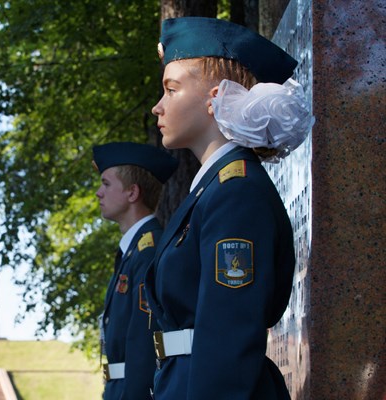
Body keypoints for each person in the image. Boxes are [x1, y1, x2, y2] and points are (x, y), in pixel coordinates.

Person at [145, 17, 313, 399]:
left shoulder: (235, 191)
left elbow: (228, 331)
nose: (158, 106)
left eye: (171, 90)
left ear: (215, 95)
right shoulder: (213, 189)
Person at [93, 141, 178, 400]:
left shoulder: (148, 251)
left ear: (132, 193)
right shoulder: (133, 251)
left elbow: (143, 342)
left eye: (106, 184)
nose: (98, 192)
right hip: (119, 388)